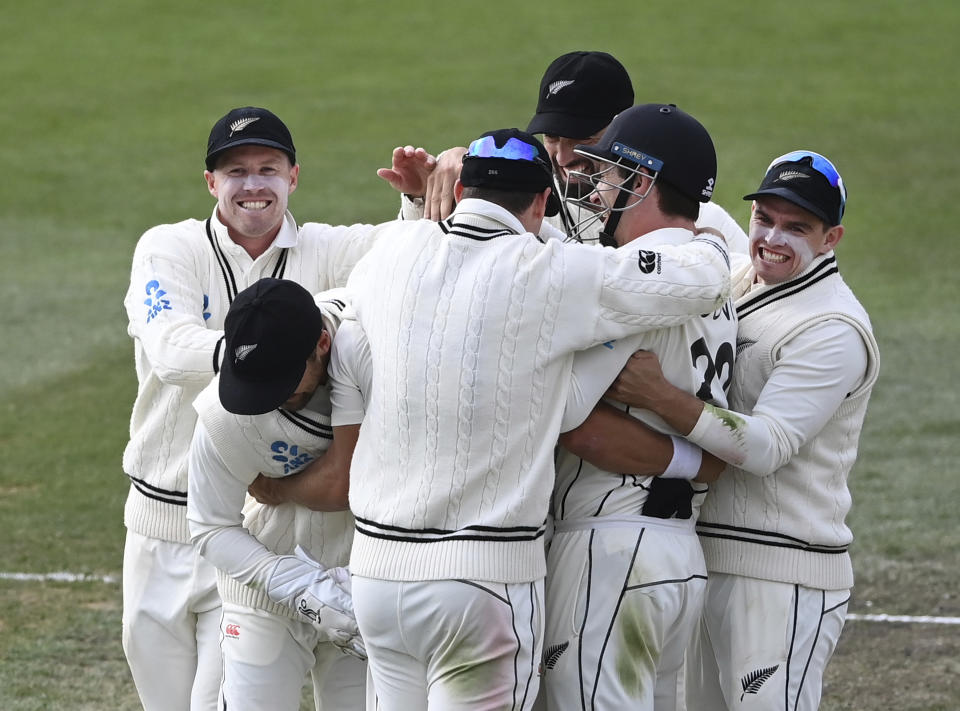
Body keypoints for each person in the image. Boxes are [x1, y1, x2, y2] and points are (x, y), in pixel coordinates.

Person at [343, 127, 732, 710]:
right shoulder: (555, 273)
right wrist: (716, 242)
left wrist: (420, 207)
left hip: (375, 578)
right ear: (542, 203)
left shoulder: (388, 256)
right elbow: (700, 281)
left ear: (462, 189)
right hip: (482, 585)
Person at [120, 106, 427, 710]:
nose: (253, 185)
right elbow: (171, 350)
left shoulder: (327, 248)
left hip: (254, 531)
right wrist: (272, 354)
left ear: (294, 177)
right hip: (160, 523)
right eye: (236, 171)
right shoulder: (169, 248)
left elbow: (407, 260)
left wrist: (416, 204)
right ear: (211, 182)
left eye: (268, 169)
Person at [604, 151, 880, 711]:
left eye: (797, 227)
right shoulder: (738, 279)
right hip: (710, 557)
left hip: (783, 576)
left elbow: (767, 446)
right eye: (765, 219)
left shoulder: (834, 329)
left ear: (831, 238)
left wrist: (659, 395)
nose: (773, 237)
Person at [535, 103, 739, 711]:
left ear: (641, 181)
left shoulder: (633, 288)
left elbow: (573, 421)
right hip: (676, 554)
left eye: (606, 177)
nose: (596, 192)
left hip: (612, 545)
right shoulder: (707, 279)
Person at [187, 279, 366, 711]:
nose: (270, 398)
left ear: (322, 344)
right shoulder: (222, 416)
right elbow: (209, 527)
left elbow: (345, 483)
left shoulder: (370, 349)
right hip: (264, 594)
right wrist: (296, 583)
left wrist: (282, 489)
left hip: (364, 587)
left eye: (283, 382)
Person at [386, 50, 748, 253]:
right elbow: (429, 259)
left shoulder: (696, 220)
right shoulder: (525, 200)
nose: (561, 158)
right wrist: (422, 199)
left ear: (625, 129)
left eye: (583, 140)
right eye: (552, 138)